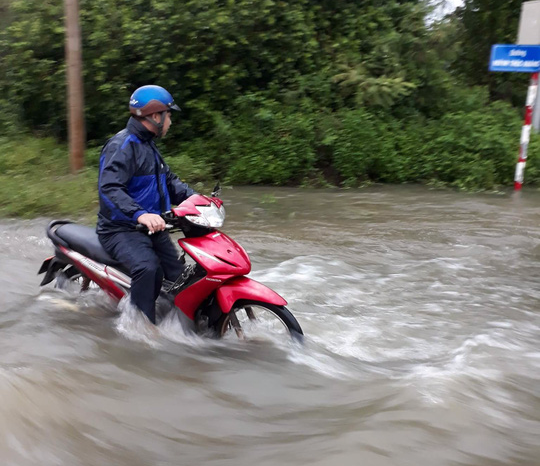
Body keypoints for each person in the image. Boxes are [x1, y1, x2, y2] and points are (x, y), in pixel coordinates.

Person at [97, 85, 195, 324]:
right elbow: (109, 188)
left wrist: (196, 199)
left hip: (152, 227)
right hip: (121, 229)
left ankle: (188, 323)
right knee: (148, 268)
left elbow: (169, 182)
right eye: (169, 115)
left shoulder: (148, 145)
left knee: (180, 276)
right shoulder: (122, 146)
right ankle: (139, 328)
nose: (171, 120)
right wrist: (139, 214)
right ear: (155, 116)